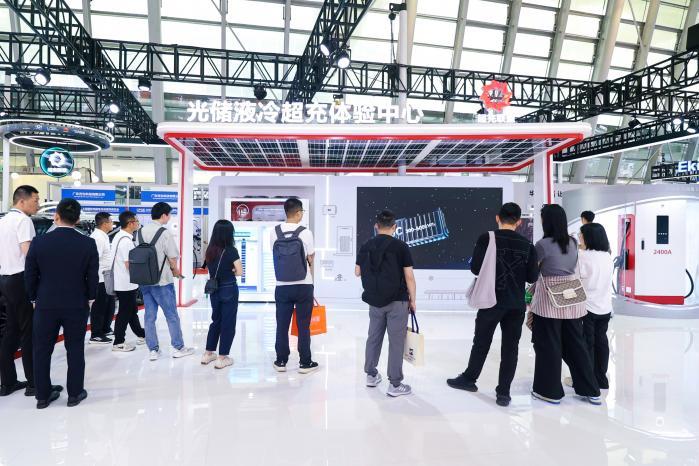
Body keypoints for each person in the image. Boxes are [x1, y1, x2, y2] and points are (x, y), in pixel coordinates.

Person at [446, 202, 539, 407]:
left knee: (481, 342)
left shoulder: (486, 238)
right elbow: (532, 277)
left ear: (498, 218)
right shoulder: (527, 245)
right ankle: (503, 393)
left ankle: (469, 379)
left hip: (491, 301)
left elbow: (475, 268)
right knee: (511, 348)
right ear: (519, 222)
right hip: (516, 304)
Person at [25, 198, 98, 409]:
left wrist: (33, 298)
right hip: (76, 303)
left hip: (45, 303)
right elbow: (92, 276)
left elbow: (30, 274)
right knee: (75, 349)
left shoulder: (39, 242)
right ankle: (74, 394)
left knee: (42, 349)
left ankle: (42, 395)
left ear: (56, 216)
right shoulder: (87, 243)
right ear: (77, 219)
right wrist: (90, 298)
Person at [530, 204, 601, 405]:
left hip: (549, 301)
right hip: (572, 298)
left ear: (547, 221)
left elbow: (533, 272)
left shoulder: (542, 245)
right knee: (577, 346)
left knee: (549, 346)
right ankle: (591, 390)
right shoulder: (572, 242)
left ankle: (549, 392)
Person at [356, 210, 416, 397]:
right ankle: (395, 384)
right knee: (396, 342)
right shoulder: (401, 246)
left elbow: (357, 272)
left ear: (376, 226)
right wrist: (413, 300)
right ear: (395, 227)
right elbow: (409, 276)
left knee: (373, 337)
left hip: (374, 301)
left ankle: (371, 375)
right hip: (398, 301)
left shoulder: (366, 245)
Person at [137, 202, 194, 361]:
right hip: (162, 281)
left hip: (144, 280)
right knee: (171, 315)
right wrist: (176, 271)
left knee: (149, 316)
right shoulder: (164, 233)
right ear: (163, 215)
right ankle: (179, 347)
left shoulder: (140, 231)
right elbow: (172, 257)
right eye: (169, 214)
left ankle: (153, 350)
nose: (170, 217)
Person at [270, 198, 318, 374]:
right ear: (298, 213)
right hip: (304, 285)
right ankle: (305, 362)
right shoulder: (306, 233)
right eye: (302, 212)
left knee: (282, 324)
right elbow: (311, 258)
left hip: (282, 285)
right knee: (303, 325)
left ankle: (281, 361)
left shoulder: (274, 232)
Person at [0, 185, 40, 397]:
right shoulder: (23, 220)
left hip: (5, 279)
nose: (38, 205)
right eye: (35, 200)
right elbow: (29, 254)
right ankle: (34, 383)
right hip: (20, 279)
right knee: (28, 331)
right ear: (22, 201)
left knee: (11, 330)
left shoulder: (4, 220)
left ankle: (7, 382)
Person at [568, 223, 614, 390]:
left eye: (581, 234)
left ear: (588, 237)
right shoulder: (607, 256)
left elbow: (574, 280)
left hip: (587, 307)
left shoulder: (582, 256)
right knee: (601, 342)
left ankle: (588, 380)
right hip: (605, 307)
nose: (579, 237)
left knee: (587, 344)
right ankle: (601, 379)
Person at [201, 220, 242, 370]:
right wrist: (232, 270)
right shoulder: (231, 250)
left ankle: (208, 353)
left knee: (216, 320)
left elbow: (209, 268)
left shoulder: (210, 250)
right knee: (228, 323)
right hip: (229, 288)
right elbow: (239, 271)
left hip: (214, 289)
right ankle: (222, 357)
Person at [111, 211, 146, 352]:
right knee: (124, 313)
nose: (138, 223)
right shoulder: (126, 241)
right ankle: (118, 342)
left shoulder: (119, 237)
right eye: (136, 221)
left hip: (124, 282)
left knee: (131, 311)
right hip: (125, 284)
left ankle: (141, 334)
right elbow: (129, 264)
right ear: (131, 223)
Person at [88, 212, 115, 345]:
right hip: (99, 278)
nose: (112, 224)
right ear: (104, 223)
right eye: (111, 221)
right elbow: (94, 259)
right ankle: (96, 334)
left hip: (106, 277)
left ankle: (105, 328)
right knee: (99, 307)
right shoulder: (98, 237)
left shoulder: (103, 236)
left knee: (108, 305)